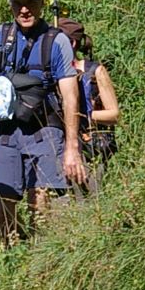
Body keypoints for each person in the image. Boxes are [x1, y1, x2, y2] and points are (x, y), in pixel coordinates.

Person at [0, 0, 84, 238]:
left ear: (41, 4)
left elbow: (70, 95)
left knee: (42, 203)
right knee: (0, 205)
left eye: (30, 3)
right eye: (18, 4)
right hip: (4, 132)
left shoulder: (56, 41)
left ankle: (41, 260)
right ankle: (13, 256)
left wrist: (72, 148)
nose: (24, 9)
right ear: (10, 6)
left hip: (45, 130)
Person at [58, 17, 120, 186]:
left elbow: (114, 114)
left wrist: (82, 115)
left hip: (93, 147)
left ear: (71, 44)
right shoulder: (52, 74)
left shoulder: (96, 72)